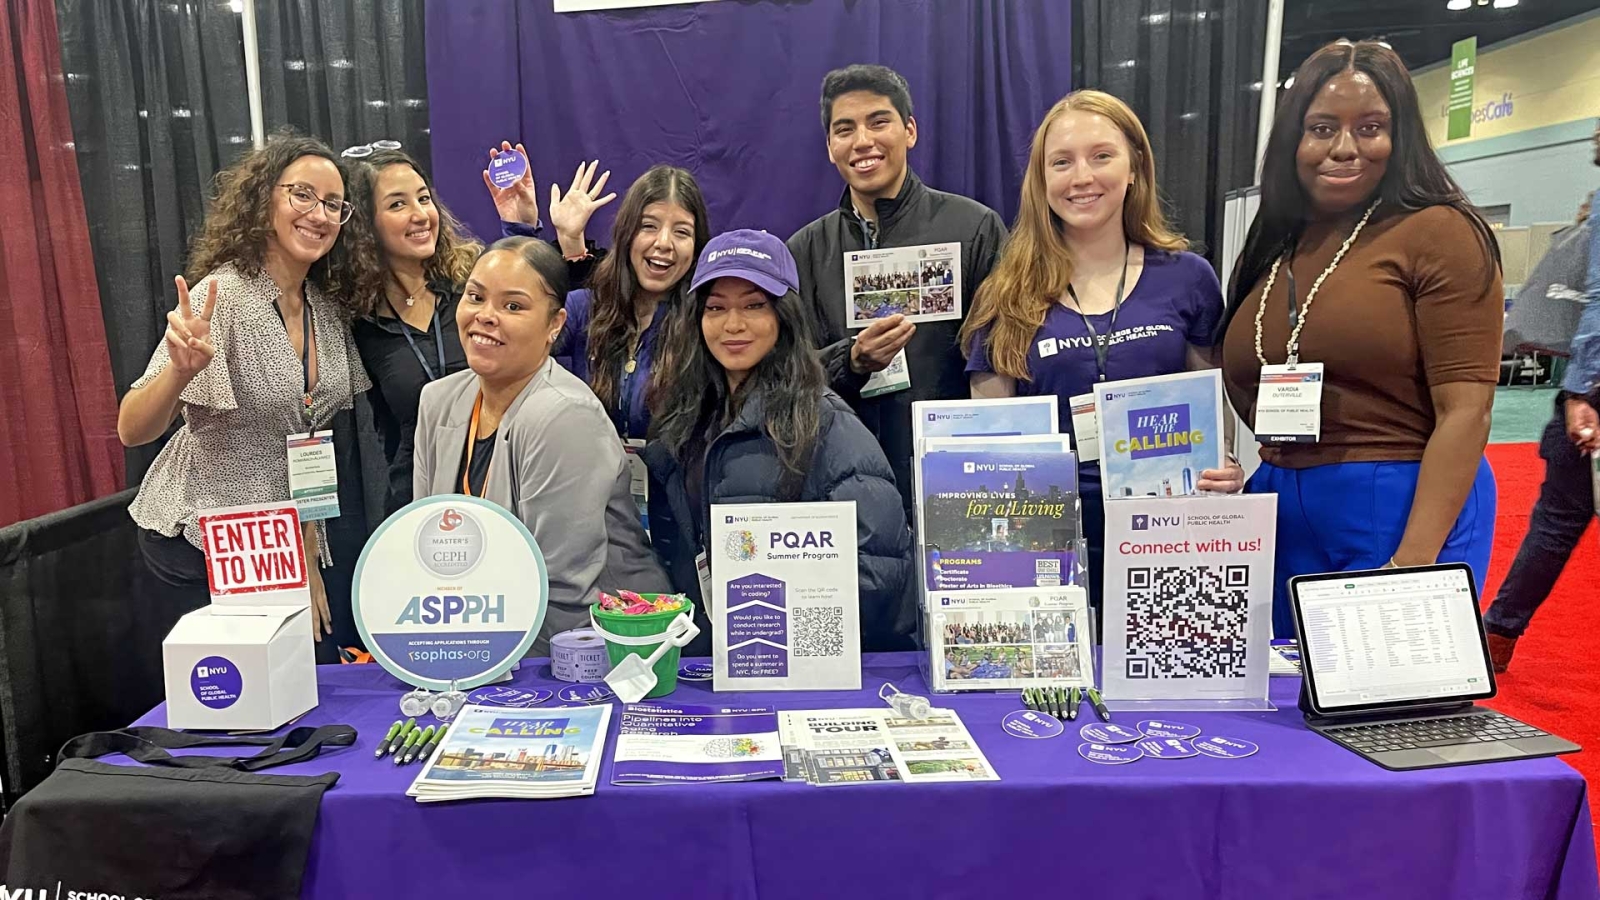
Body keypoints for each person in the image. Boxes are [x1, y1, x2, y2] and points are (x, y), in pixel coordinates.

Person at [1219, 40, 1503, 636]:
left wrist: (1412, 565)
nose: (1345, 147)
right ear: (1293, 140)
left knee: (1384, 685)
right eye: (1322, 128)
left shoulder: (1440, 232)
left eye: (1371, 127)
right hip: (1280, 501)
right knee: (1284, 687)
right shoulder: (1278, 242)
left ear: (1401, 137)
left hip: (1399, 501)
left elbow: (1468, 411)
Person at [962, 90, 1245, 610]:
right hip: (1045, 549)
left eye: (1101, 156)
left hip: (1168, 539)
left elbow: (1212, 411)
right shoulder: (1005, 295)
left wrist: (1223, 465)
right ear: (1041, 179)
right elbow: (993, 444)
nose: (1082, 177)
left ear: (1134, 167)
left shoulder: (1187, 278)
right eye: (1061, 162)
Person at [119, 132, 369, 650]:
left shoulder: (324, 307)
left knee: (297, 674)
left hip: (274, 545)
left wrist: (305, 555)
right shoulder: (223, 295)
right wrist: (179, 373)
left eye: (333, 204)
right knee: (231, 692)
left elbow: (309, 445)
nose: (319, 214)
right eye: (302, 194)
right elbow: (132, 429)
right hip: (199, 540)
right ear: (264, 199)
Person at [645, 230, 915, 653]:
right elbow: (672, 553)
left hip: (798, 665)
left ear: (783, 316)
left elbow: (881, 572)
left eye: (754, 305)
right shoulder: (681, 421)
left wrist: (774, 631)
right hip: (707, 660)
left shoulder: (826, 422)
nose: (733, 324)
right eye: (716, 307)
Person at [412, 237, 669, 652]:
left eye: (513, 306)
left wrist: (481, 662)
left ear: (555, 324)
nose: (485, 316)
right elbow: (426, 546)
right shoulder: (439, 401)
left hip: (595, 642)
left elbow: (562, 589)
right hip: (487, 627)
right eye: (475, 297)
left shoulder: (566, 415)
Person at [340, 146, 611, 516]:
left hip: (514, 483)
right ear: (365, 224)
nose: (420, 214)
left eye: (424, 198)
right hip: (423, 495)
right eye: (398, 204)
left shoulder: (474, 285)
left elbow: (549, 315)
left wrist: (550, 236)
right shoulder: (356, 318)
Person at [788, 64, 1009, 516]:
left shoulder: (973, 229)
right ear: (830, 147)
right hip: (839, 487)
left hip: (953, 482)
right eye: (844, 129)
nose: (862, 141)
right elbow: (784, 375)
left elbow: (1003, 358)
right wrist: (850, 361)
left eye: (878, 122)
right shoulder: (804, 250)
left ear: (910, 131)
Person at [1482, 119, 1600, 671]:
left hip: (1593, 389)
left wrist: (1580, 389)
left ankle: (1499, 635)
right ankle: (1499, 633)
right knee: (1559, 518)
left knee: (1558, 519)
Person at [557, 165, 710, 442]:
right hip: (587, 468)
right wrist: (522, 230)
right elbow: (521, 338)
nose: (664, 243)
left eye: (681, 232)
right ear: (626, 233)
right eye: (648, 226)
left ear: (696, 245)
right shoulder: (585, 307)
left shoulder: (706, 322)